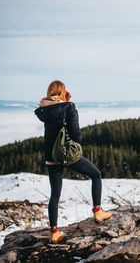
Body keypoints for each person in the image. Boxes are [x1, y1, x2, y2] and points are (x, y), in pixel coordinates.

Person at [34, 80, 112, 244]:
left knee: (55, 194)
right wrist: (69, 106)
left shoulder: (44, 109)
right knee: (96, 174)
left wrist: (65, 103)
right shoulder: (68, 107)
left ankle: (54, 231)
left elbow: (55, 117)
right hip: (67, 153)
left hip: (51, 156)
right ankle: (98, 211)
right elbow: (76, 134)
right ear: (62, 92)